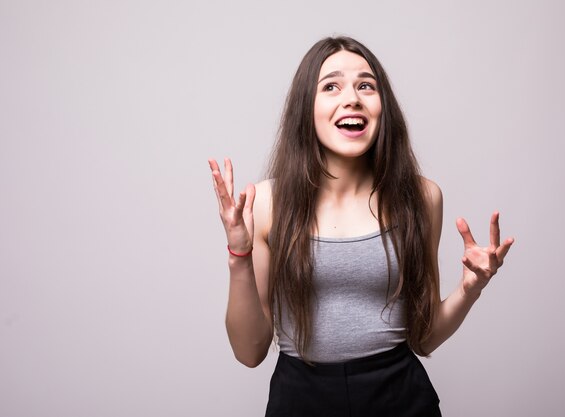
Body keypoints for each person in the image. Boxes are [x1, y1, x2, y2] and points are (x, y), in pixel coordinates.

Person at [208, 36, 514, 417]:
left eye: (365, 86)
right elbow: (249, 351)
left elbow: (425, 336)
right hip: (300, 399)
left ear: (382, 107)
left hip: (400, 398)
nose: (351, 98)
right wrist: (240, 254)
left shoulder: (421, 197)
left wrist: (471, 288)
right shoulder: (268, 203)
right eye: (331, 86)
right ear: (307, 108)